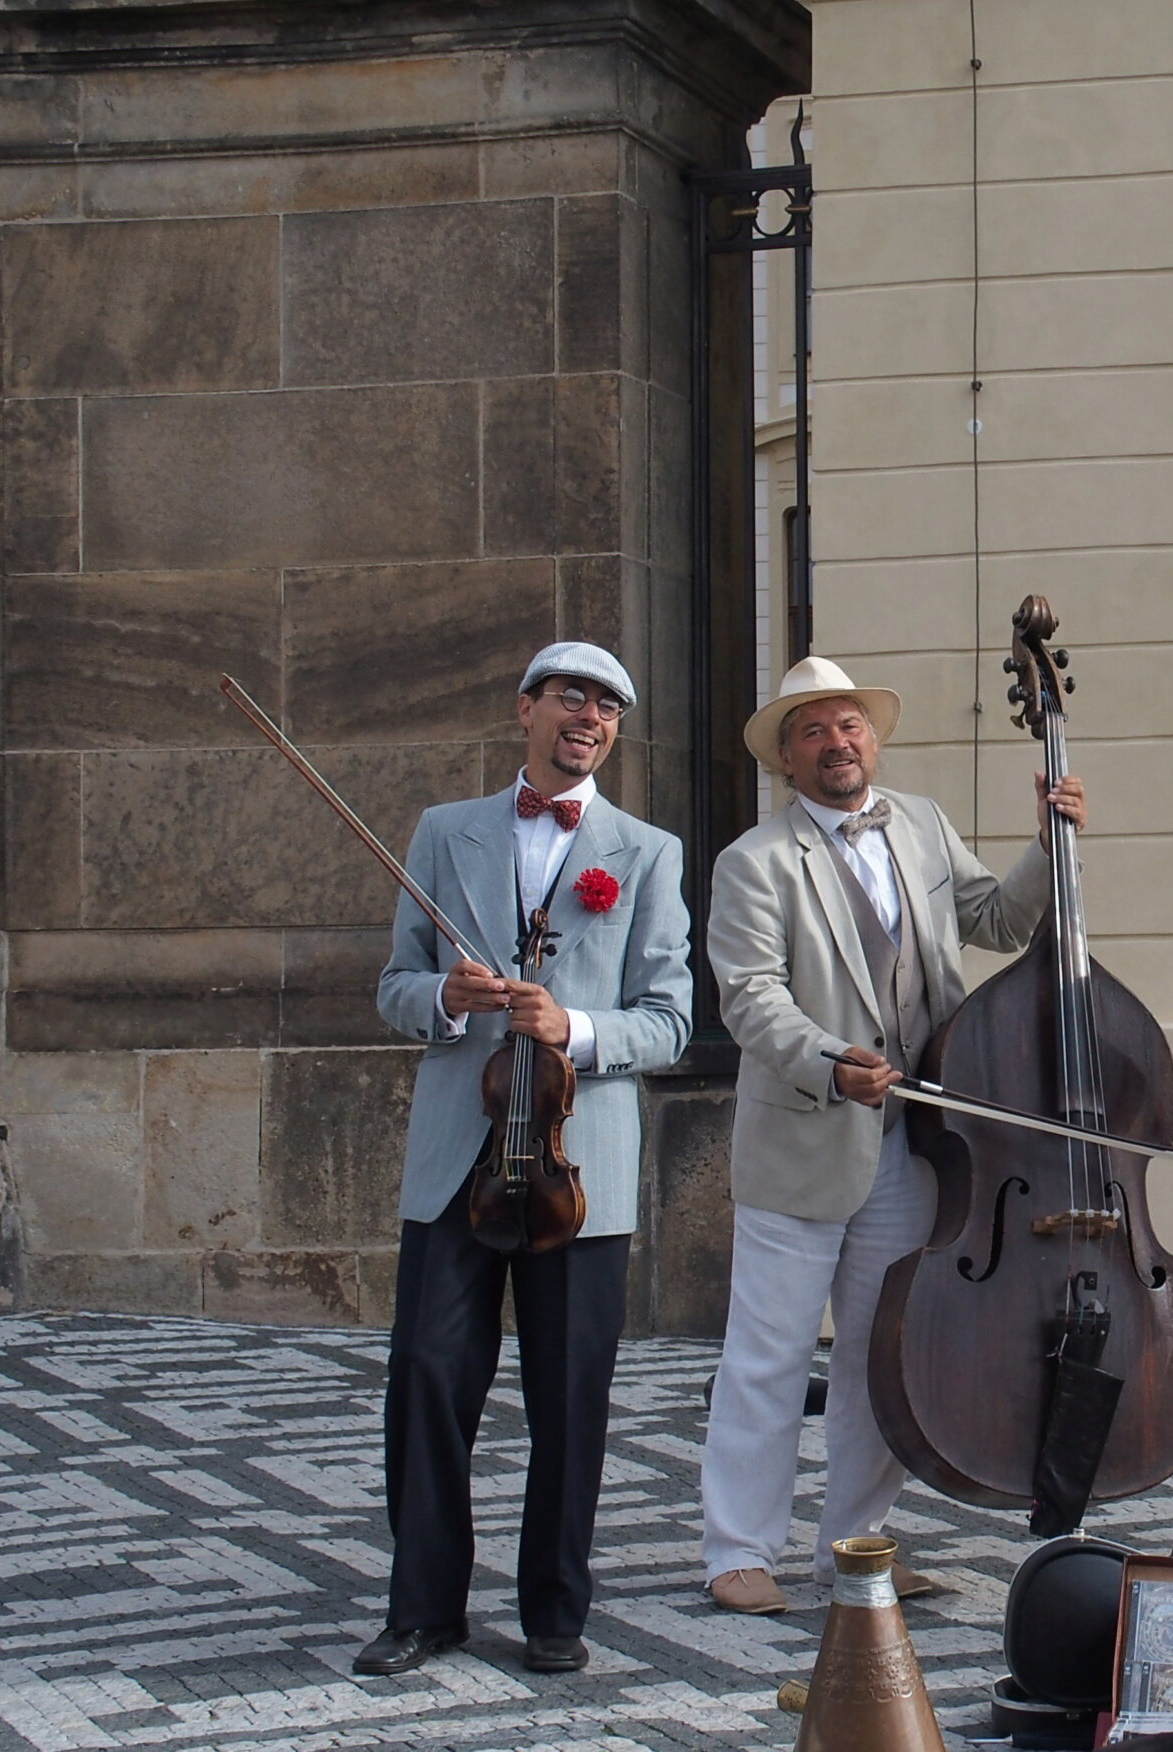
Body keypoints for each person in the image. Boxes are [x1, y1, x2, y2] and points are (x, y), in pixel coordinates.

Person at [697, 655, 1086, 1614]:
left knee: (884, 1352)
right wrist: (829, 1059)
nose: (839, 743)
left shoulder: (917, 824)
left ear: (872, 738)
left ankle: (852, 1547)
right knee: (769, 1358)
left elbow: (997, 921)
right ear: (788, 758)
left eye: (850, 725)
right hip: (805, 1141)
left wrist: (1050, 842)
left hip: (920, 1146)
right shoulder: (753, 863)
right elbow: (750, 1000)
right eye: (815, 730)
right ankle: (738, 1551)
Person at [358, 641, 693, 1676]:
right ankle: (423, 1609)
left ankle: (555, 1611)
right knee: (425, 1373)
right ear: (526, 711)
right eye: (567, 697)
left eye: (604, 705)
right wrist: (444, 1000)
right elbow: (393, 986)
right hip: (459, 1152)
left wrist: (577, 1029)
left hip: (571, 1162)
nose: (584, 715)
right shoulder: (442, 830)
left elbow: (670, 1021)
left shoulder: (645, 851)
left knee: (568, 1391)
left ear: (614, 732)